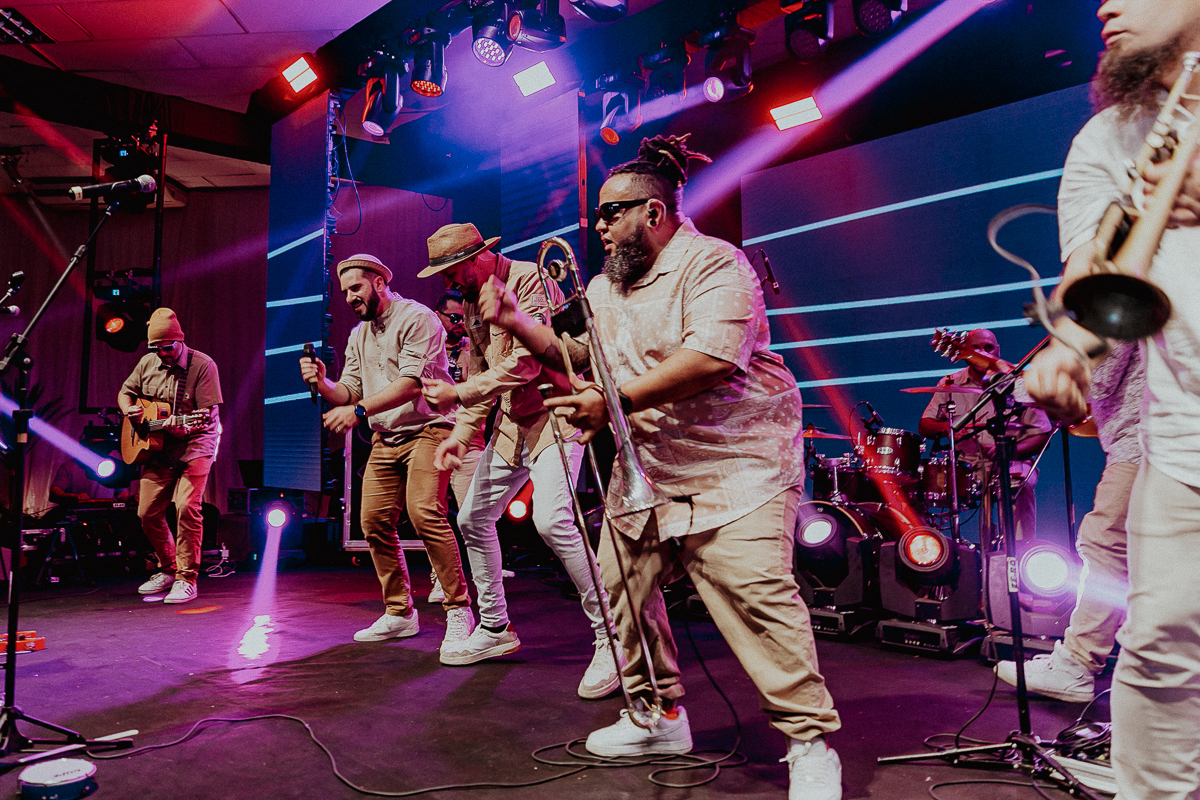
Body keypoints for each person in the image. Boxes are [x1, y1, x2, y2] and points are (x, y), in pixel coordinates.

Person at [479, 134, 842, 800]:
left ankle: (808, 743)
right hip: (653, 469)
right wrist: (518, 323)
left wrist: (609, 399)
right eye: (598, 215)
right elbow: (578, 353)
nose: (599, 226)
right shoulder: (605, 286)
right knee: (622, 587)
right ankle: (657, 715)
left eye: (612, 212)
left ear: (653, 212)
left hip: (742, 465)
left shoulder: (716, 265)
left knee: (758, 599)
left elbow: (711, 358)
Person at [1023, 2, 1200, 797]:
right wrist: (1069, 348)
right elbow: (1096, 276)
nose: (1106, 5)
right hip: (1183, 434)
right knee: (1159, 650)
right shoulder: (1105, 138)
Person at [418, 222, 621, 700]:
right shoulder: (469, 303)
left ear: (476, 258)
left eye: (452, 271)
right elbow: (481, 373)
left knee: (552, 522)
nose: (449, 283)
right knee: (472, 518)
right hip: (512, 427)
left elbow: (527, 363)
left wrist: (460, 392)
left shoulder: (529, 279)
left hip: (556, 414)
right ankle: (495, 626)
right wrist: (463, 434)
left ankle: (612, 637)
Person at [299, 254, 473, 653]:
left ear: (379, 282)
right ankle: (399, 612)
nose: (349, 297)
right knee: (373, 520)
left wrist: (357, 410)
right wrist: (324, 385)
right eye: (344, 291)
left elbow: (413, 383)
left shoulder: (418, 318)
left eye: (356, 288)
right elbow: (350, 391)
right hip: (387, 436)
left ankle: (459, 609)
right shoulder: (359, 334)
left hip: (430, 429)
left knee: (424, 511)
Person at [996, 343, 1143, 701]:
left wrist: (1015, 385)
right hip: (1156, 441)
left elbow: (1099, 376)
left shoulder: (1120, 290)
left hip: (1141, 443)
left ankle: (1077, 664)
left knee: (1104, 543)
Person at [118, 308, 221, 605]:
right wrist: (130, 411)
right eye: (156, 348)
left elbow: (206, 416)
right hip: (158, 447)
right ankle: (168, 568)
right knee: (146, 512)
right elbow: (125, 393)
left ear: (179, 341)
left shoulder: (203, 365)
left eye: (167, 347)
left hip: (195, 443)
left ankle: (187, 578)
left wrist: (181, 425)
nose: (162, 353)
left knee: (187, 506)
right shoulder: (146, 363)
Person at [917, 329, 1052, 542]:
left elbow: (1042, 434)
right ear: (964, 352)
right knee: (919, 486)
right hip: (965, 468)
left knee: (1018, 484)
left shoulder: (1018, 384)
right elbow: (925, 425)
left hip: (1011, 462)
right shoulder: (949, 383)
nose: (983, 353)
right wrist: (947, 428)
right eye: (976, 348)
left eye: (989, 348)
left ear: (998, 350)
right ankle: (941, 554)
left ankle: (1018, 551)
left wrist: (1009, 451)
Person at [427, 289, 483, 604]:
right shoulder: (424, 346)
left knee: (473, 516)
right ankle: (440, 580)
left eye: (463, 317)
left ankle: (481, 577)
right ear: (437, 315)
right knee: (433, 515)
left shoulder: (471, 348)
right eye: (453, 318)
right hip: (432, 436)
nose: (460, 323)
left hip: (467, 439)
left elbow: (480, 390)